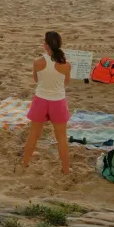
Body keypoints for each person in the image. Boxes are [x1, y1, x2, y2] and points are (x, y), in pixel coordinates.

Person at [21, 31, 72, 174]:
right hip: (58, 102)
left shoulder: (37, 62)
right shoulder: (66, 65)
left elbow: (36, 80)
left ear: (46, 45)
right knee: (61, 137)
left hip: (41, 100)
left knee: (33, 134)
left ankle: (25, 164)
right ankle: (66, 170)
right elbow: (65, 83)